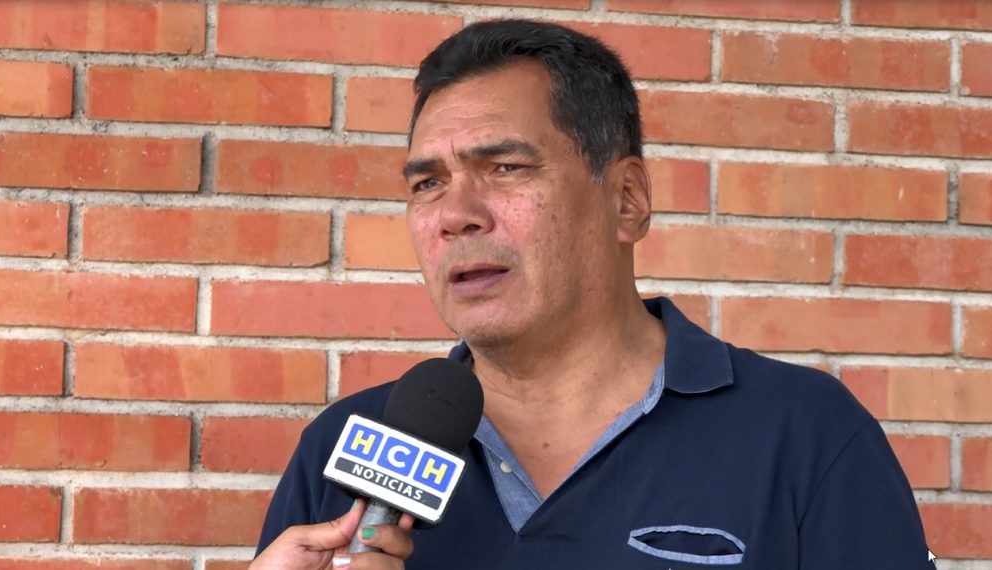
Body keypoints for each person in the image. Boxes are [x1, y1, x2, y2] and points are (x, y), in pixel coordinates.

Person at [253, 19, 936, 569]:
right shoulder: (343, 450)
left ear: (627, 199)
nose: (455, 214)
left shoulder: (807, 436)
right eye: (428, 183)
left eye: (505, 167)